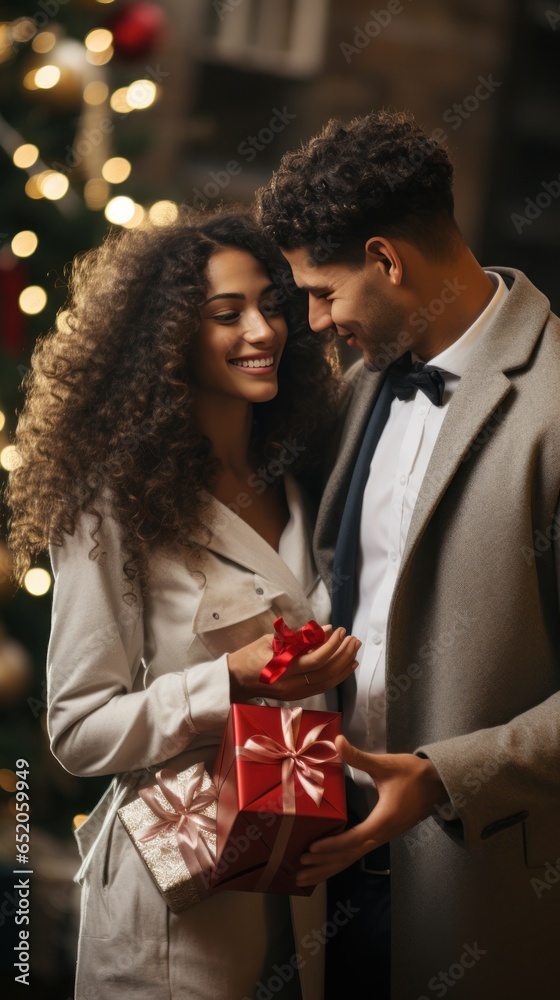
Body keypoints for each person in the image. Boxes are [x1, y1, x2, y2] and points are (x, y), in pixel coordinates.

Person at [6, 210, 362, 1000]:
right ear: (167, 337)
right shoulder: (111, 504)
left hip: (298, 872)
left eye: (272, 305)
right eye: (226, 314)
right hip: (173, 905)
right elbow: (76, 727)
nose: (263, 330)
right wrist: (227, 680)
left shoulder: (305, 472)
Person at [258, 109, 560, 999]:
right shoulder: (360, 388)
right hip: (321, 864)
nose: (311, 323)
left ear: (388, 260)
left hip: (481, 888)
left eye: (323, 292)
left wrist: (444, 779)